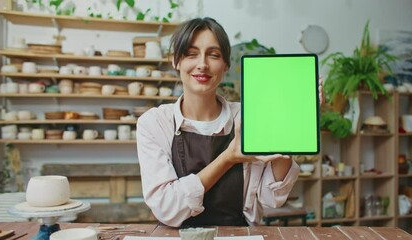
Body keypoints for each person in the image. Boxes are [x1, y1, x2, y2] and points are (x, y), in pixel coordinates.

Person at [137, 17, 323, 227]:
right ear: (176, 61)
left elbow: (271, 200)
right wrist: (228, 158)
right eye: (191, 54)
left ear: (225, 64)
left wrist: (295, 115)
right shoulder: (155, 123)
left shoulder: (248, 117)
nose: (202, 64)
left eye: (214, 55)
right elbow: (166, 207)